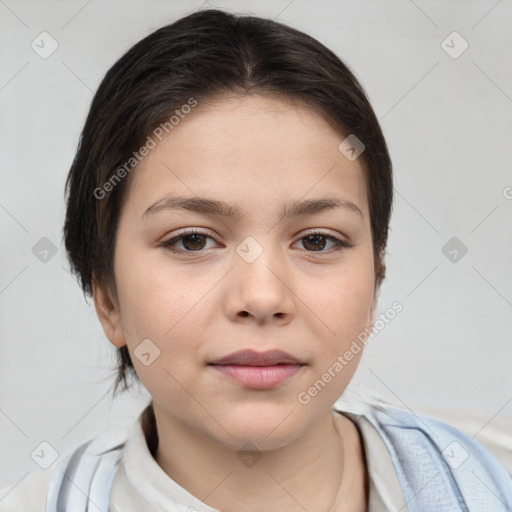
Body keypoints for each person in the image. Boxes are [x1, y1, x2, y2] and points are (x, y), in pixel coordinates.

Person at [1, 8, 511, 512]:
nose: (263, 297)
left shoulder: (492, 480)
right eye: (192, 241)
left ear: (376, 278)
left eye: (316, 241)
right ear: (107, 297)